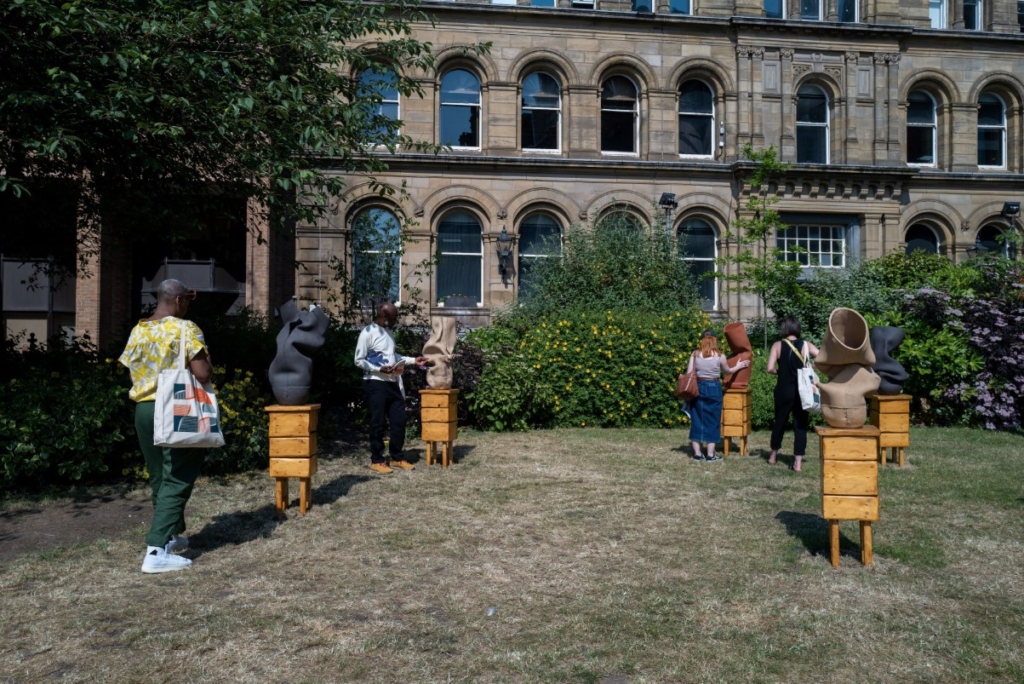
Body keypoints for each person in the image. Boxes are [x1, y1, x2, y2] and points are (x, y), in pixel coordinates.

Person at [119, 279, 212, 574]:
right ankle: (156, 550)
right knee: (179, 476)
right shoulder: (186, 329)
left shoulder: (138, 330)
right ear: (179, 301)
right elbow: (202, 372)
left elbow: (130, 367)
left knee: (160, 475)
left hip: (144, 410)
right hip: (177, 406)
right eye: (187, 300)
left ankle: (171, 537)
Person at [354, 302, 427, 474]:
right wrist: (379, 368)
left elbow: (392, 356)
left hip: (392, 382)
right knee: (377, 422)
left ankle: (397, 457)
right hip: (375, 383)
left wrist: (413, 360)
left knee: (398, 421)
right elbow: (358, 360)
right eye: (394, 318)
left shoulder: (388, 332)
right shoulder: (367, 333)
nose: (396, 321)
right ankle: (377, 460)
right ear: (384, 317)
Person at [685, 329, 751, 462]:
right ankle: (710, 455)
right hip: (713, 387)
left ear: (702, 341)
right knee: (713, 420)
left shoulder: (695, 354)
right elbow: (728, 371)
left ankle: (697, 454)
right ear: (715, 340)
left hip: (697, 387)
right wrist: (739, 366)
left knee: (697, 419)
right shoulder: (719, 355)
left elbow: (689, 372)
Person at [766, 316, 819, 472]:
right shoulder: (806, 345)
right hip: (803, 391)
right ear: (797, 328)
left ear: (784, 329)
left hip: (783, 389)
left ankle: (773, 456)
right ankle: (798, 463)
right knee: (800, 425)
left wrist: (780, 372)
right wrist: (811, 367)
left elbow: (769, 368)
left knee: (779, 422)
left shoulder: (777, 345)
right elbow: (824, 358)